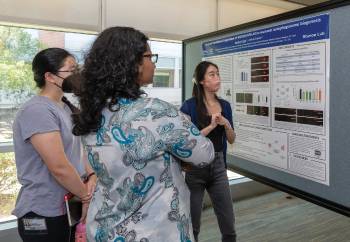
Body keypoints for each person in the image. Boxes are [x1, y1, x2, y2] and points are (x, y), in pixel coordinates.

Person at [72, 26, 215, 242]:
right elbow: (204, 155)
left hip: (104, 229)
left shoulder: (92, 112)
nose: (153, 62)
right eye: (149, 56)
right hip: (154, 232)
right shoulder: (155, 111)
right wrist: (185, 125)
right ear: (132, 63)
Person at [12, 48, 95, 242]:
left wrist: (91, 175)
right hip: (44, 211)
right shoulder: (37, 111)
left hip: (68, 206)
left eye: (77, 69)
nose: (77, 75)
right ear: (50, 76)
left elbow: (80, 150)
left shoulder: (65, 107)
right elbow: (59, 167)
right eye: (71, 70)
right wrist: (86, 197)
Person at [180, 61, 237, 242]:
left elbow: (232, 139)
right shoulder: (188, 106)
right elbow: (187, 141)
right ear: (202, 81)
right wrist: (211, 126)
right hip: (195, 169)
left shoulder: (225, 106)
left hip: (219, 167)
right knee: (193, 226)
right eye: (212, 74)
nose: (217, 78)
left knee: (229, 225)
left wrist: (226, 124)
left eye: (218, 73)